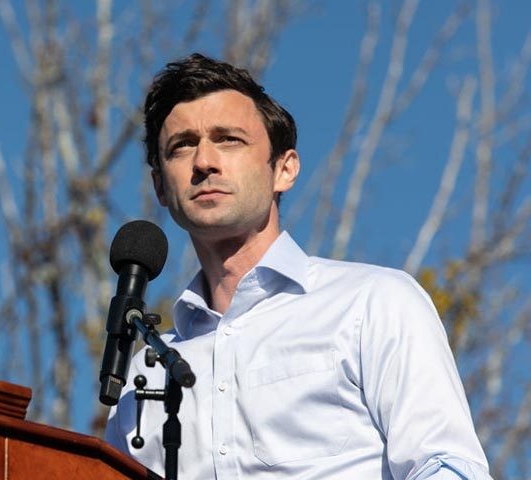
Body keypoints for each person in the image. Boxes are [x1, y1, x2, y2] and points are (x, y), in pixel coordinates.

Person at [105, 53, 492, 480]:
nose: (204, 162)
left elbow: (447, 467)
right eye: (182, 146)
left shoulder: (373, 304)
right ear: (161, 186)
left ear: (284, 169)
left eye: (229, 139)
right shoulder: (145, 373)